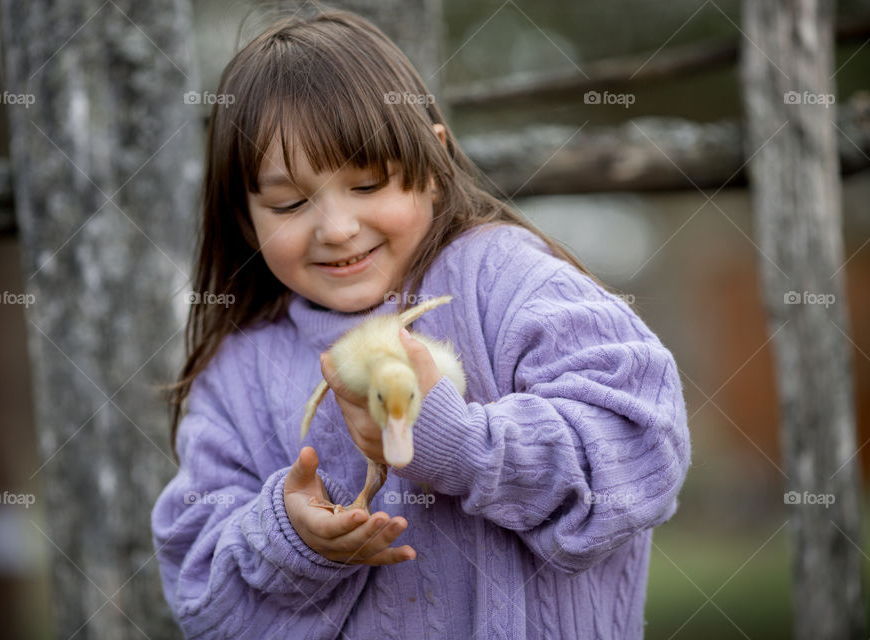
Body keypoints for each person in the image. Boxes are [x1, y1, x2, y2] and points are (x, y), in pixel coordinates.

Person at [152, 7, 691, 639]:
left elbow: (641, 448)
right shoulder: (237, 375)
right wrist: (289, 542)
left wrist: (462, 443)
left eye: (369, 182)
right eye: (290, 203)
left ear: (433, 166)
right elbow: (199, 592)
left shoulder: (506, 280)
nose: (338, 228)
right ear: (246, 220)